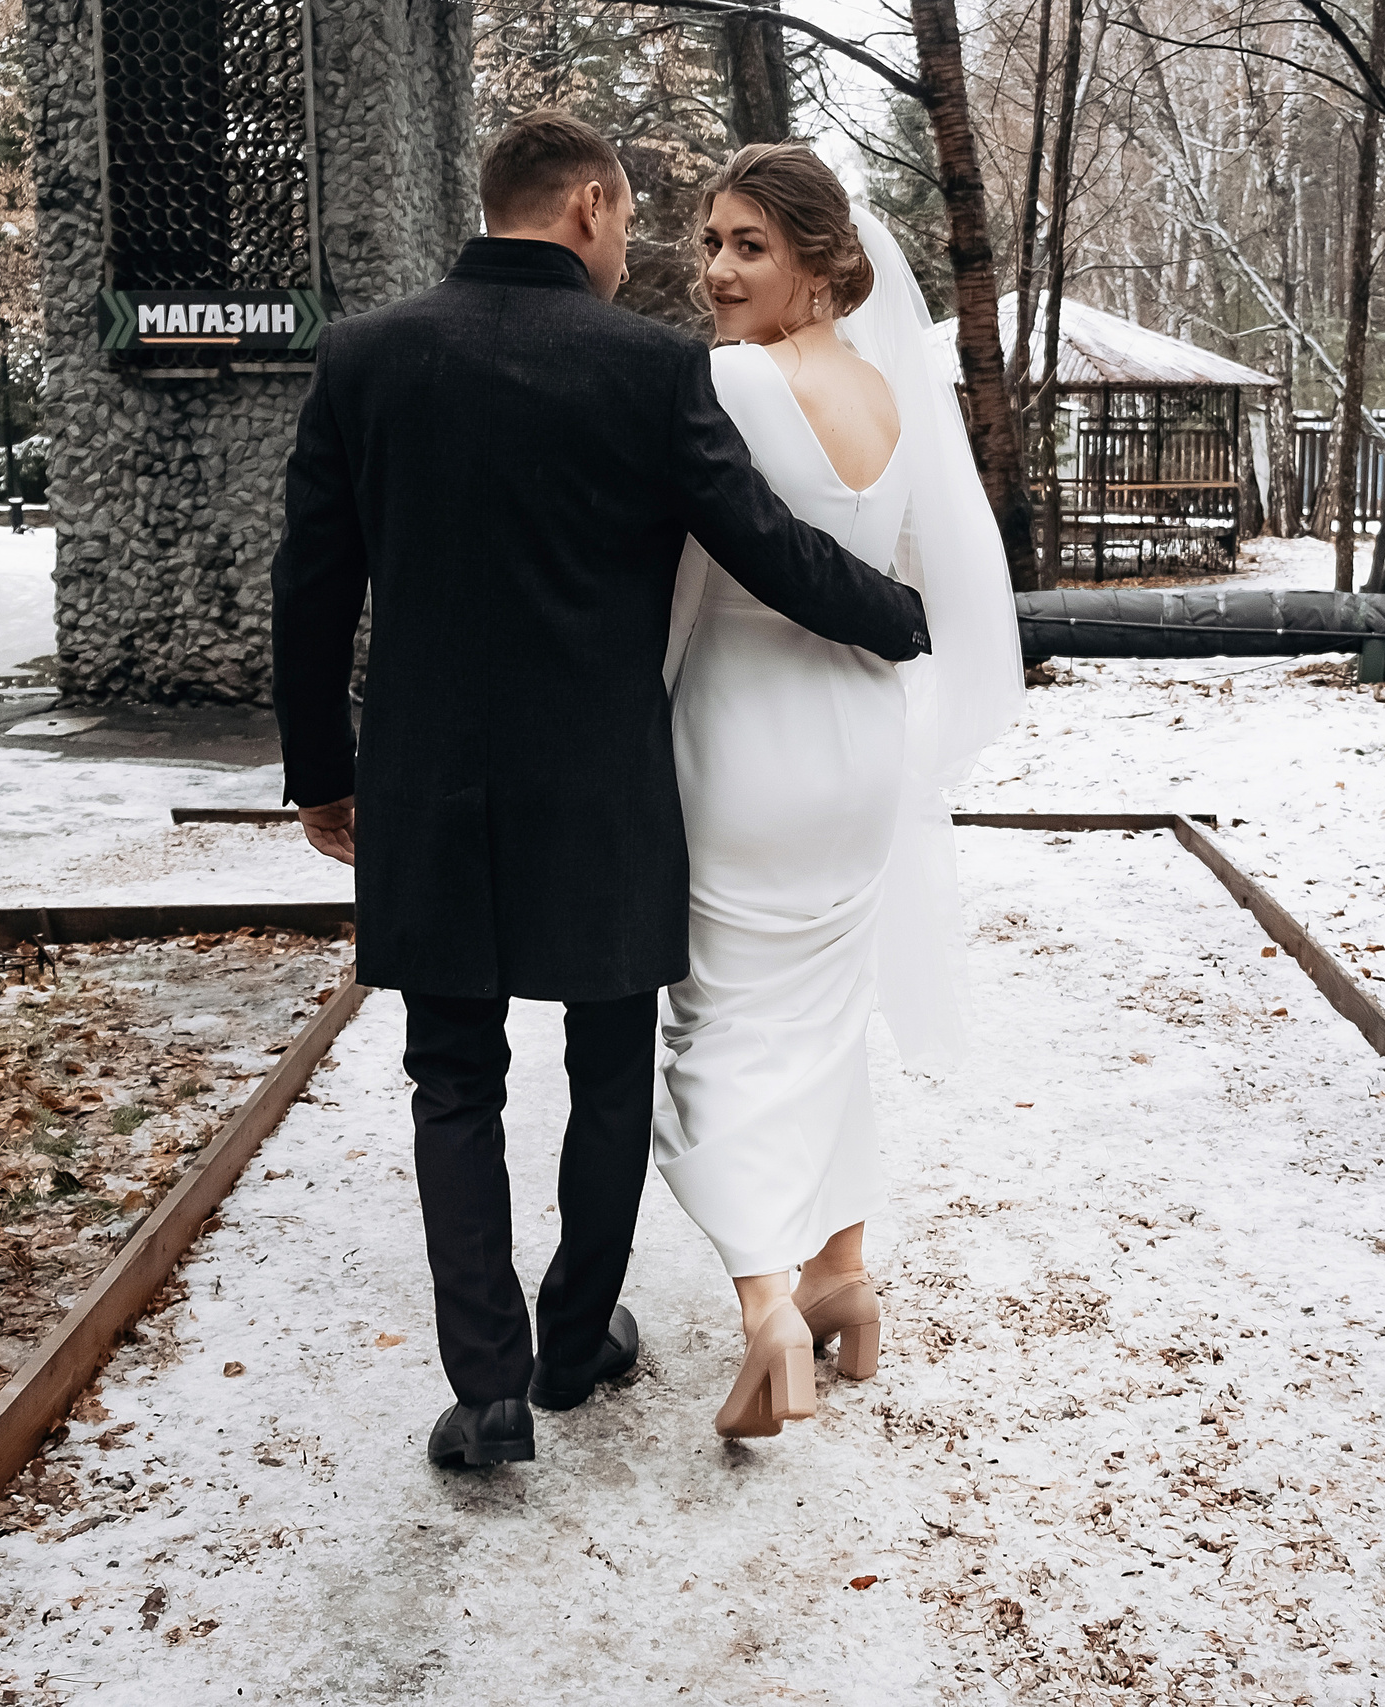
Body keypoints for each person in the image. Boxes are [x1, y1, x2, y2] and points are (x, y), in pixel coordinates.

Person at [269, 112, 932, 1471]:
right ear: (586, 204)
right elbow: (765, 547)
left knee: (450, 1077)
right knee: (610, 1058)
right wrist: (906, 618)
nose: (643, 253)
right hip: (606, 793)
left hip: (428, 787)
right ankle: (577, 1338)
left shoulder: (366, 356)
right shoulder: (648, 369)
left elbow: (310, 586)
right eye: (636, 222)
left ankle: (490, 1386)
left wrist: (324, 778)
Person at [654, 145, 1024, 1437]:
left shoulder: (732, 384)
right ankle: (843, 1281)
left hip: (746, 738)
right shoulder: (893, 389)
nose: (715, 271)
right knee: (825, 1017)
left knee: (714, 1023)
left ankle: (766, 1310)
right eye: (710, 244)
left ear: (821, 260)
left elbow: (690, 582)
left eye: (749, 245)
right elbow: (916, 569)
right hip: (866, 746)